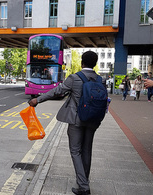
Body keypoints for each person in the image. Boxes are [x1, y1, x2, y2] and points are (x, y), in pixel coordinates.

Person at [29, 51, 105, 195]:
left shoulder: (75, 78)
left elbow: (57, 91)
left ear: (82, 62)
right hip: (93, 120)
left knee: (75, 151)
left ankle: (83, 186)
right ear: (95, 64)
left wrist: (37, 100)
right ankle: (84, 180)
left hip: (76, 119)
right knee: (87, 150)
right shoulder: (99, 80)